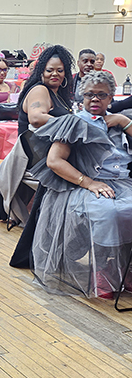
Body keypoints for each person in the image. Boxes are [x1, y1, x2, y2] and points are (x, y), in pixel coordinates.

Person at [30, 70, 132, 298]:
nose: (95, 99)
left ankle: (125, 267)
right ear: (81, 97)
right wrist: (88, 182)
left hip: (122, 183)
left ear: (111, 97)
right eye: (89, 94)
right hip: (82, 185)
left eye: (101, 95)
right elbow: (54, 161)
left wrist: (124, 122)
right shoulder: (74, 123)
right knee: (108, 213)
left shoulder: (119, 121)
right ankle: (103, 268)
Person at [9, 44, 75, 267]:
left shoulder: (58, 95)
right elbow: (36, 117)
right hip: (39, 159)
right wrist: (73, 124)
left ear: (66, 73)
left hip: (50, 155)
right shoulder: (40, 90)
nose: (54, 74)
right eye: (49, 70)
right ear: (41, 71)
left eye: (59, 70)